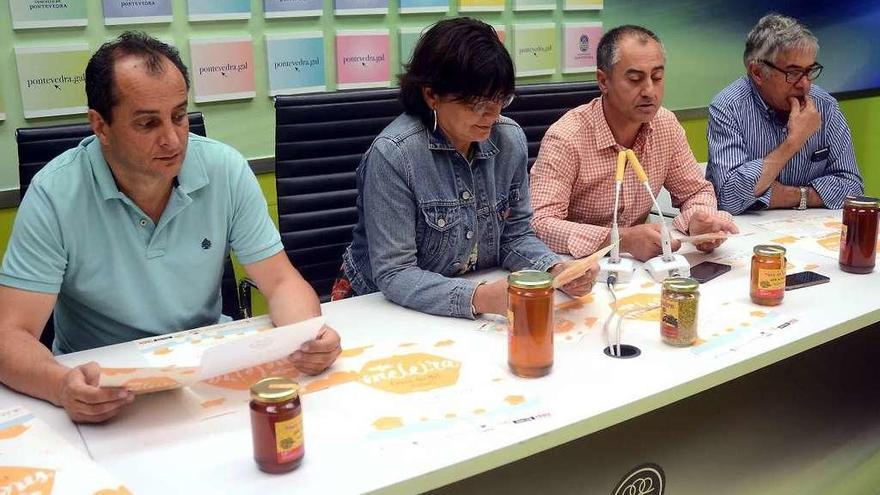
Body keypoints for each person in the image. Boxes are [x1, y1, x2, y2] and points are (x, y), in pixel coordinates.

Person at [0, 32, 341, 423]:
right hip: (102, 383)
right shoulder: (55, 193)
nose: (173, 139)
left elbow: (280, 282)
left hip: (207, 369)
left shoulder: (224, 169)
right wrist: (60, 385)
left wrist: (308, 336)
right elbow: (11, 335)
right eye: (147, 123)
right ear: (100, 125)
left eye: (179, 116)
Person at [333, 17, 596, 318]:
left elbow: (515, 237)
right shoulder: (395, 154)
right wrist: (479, 297)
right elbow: (395, 273)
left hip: (469, 301)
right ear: (431, 95)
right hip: (379, 308)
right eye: (477, 104)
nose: (493, 116)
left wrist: (554, 268)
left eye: (500, 100)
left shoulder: (509, 140)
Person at [530, 25, 737, 263]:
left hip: (638, 268)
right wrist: (621, 240)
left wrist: (697, 220)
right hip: (576, 269)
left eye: (657, 77)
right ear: (603, 81)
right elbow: (540, 224)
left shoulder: (665, 125)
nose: (650, 91)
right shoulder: (567, 138)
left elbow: (696, 191)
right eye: (635, 79)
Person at [707, 14, 863, 214]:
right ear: (757, 72)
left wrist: (793, 196)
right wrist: (794, 142)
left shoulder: (825, 106)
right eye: (793, 73)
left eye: (809, 71)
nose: (805, 84)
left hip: (811, 232)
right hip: (746, 236)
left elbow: (852, 188)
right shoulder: (728, 107)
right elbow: (729, 196)